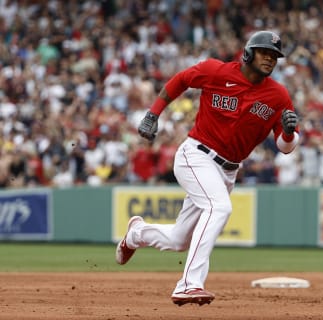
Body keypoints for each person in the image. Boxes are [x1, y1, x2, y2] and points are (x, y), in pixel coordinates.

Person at [115, 30, 299, 306]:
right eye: (265, 52)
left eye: (274, 56)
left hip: (227, 171)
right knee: (219, 207)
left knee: (178, 240)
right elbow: (181, 80)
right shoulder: (216, 71)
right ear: (248, 52)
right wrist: (154, 113)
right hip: (196, 155)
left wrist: (288, 133)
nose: (270, 59)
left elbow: (286, 147)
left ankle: (136, 234)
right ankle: (188, 284)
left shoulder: (278, 95)